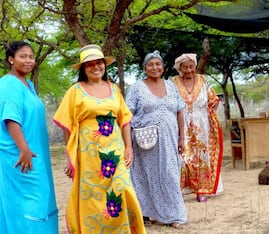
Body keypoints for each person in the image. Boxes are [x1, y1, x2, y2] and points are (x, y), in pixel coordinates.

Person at [52, 44, 146, 233]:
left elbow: (125, 119)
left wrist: (129, 147)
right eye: (90, 64)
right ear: (83, 69)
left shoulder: (114, 89)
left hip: (115, 149)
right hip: (88, 152)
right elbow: (67, 124)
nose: (96, 67)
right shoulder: (75, 91)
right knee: (93, 195)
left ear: (104, 65)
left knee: (122, 188)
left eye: (99, 63)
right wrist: (71, 156)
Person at [0, 41, 58, 233]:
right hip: (19, 156)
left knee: (42, 199)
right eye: (22, 56)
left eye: (31, 57)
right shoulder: (8, 83)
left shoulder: (28, 85)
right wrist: (24, 149)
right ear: (11, 60)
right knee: (29, 205)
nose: (28, 60)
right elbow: (10, 118)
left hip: (35, 153)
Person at [126, 50, 188, 229]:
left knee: (169, 175)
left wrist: (182, 138)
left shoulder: (170, 85)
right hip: (144, 141)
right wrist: (127, 144)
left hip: (169, 140)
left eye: (158, 64)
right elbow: (127, 114)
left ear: (163, 66)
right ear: (144, 68)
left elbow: (180, 111)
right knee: (145, 177)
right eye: (150, 64)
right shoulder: (137, 87)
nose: (155, 67)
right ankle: (146, 213)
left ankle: (174, 215)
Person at [171, 53, 223, 202]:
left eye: (191, 66)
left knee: (202, 157)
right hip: (181, 122)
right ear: (179, 68)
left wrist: (211, 106)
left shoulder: (203, 80)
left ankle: (201, 190)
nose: (188, 70)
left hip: (202, 124)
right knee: (183, 157)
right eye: (185, 67)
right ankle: (181, 190)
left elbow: (213, 99)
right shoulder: (172, 82)